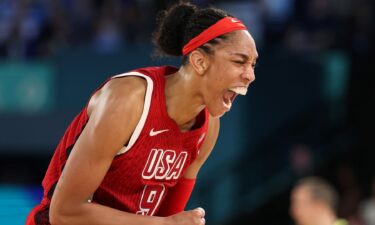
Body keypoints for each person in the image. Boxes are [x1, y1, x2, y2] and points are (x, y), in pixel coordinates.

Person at [26, 1, 258, 225]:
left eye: (253, 65)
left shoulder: (208, 128)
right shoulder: (129, 100)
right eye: (240, 61)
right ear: (199, 61)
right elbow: (65, 213)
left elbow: (168, 218)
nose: (250, 75)